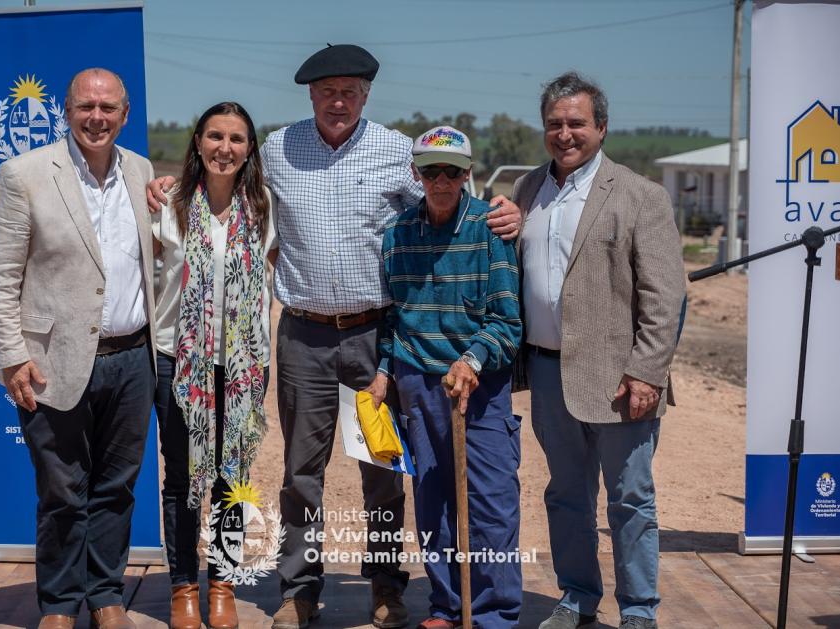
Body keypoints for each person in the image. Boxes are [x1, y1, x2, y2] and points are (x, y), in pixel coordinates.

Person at [146, 44, 521, 629]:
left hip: (375, 337)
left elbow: (446, 203)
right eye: (327, 92)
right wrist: (166, 185)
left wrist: (504, 211)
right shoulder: (277, 150)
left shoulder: (396, 151)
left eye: (349, 91)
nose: (338, 101)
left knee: (382, 471)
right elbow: (226, 196)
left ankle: (385, 586)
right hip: (303, 338)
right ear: (310, 96)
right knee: (301, 472)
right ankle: (300, 589)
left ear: (366, 95)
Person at [0, 68, 156, 629]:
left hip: (132, 359)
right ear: (67, 111)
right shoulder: (23, 174)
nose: (96, 118)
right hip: (51, 361)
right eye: (85, 107)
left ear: (124, 113)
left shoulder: (141, 171)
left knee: (117, 488)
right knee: (62, 491)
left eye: (108, 108)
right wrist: (11, 355)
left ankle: (105, 595)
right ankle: (57, 603)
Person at [504, 72, 686, 629]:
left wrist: (647, 373)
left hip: (619, 381)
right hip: (548, 371)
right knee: (565, 496)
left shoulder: (640, 196)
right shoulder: (528, 191)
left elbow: (666, 293)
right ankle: (578, 596)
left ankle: (638, 610)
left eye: (576, 123)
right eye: (555, 124)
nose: (565, 133)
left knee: (630, 500)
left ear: (601, 127)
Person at [370, 126, 522, 628]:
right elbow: (393, 317)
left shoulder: (489, 230)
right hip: (418, 384)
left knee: (491, 504)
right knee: (433, 501)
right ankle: (447, 604)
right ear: (416, 174)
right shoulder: (397, 234)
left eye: (452, 171)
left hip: (478, 386)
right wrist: (384, 370)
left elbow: (507, 321)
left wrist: (472, 360)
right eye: (431, 170)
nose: (441, 180)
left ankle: (494, 612)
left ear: (467, 174)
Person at [151, 101, 275, 629]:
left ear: (250, 148)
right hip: (178, 362)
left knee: (233, 475)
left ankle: (221, 583)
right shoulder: (168, 203)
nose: (226, 148)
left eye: (238, 139)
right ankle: (183, 588)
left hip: (244, 367)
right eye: (215, 136)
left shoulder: (266, 205)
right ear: (197, 141)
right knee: (180, 479)